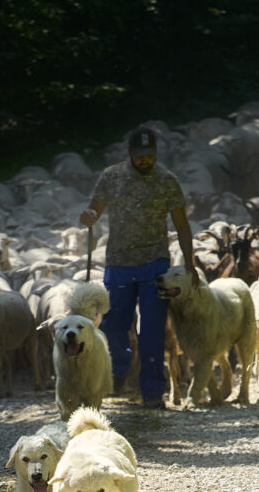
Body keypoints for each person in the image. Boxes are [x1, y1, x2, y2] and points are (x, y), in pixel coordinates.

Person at [79, 125, 197, 408]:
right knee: (113, 322)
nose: (145, 160)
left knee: (153, 331)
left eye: (150, 155)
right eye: (140, 155)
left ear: (155, 153)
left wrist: (190, 262)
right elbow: (95, 208)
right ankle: (121, 367)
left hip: (155, 264)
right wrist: (90, 215)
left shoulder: (167, 180)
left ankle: (153, 392)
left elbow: (181, 224)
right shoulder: (112, 176)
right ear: (130, 153)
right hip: (119, 262)